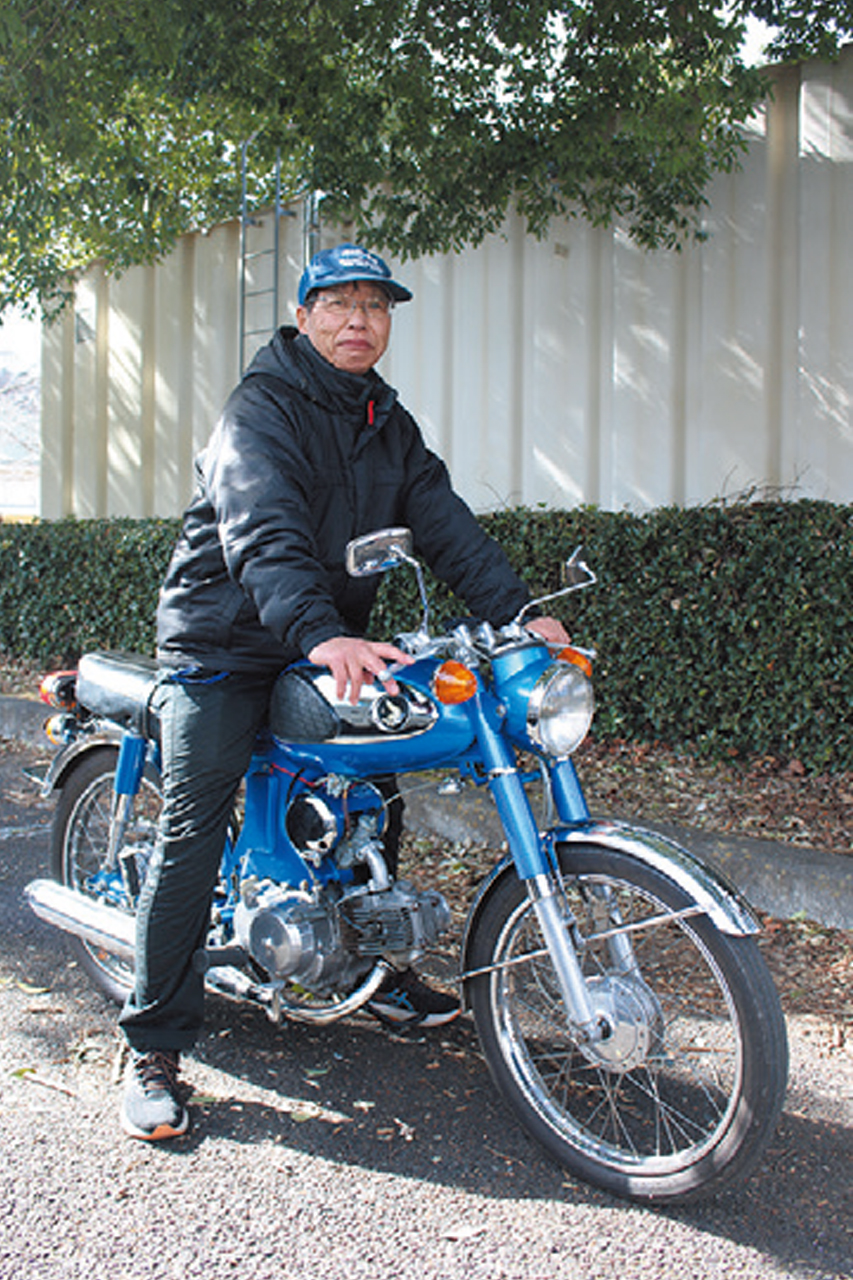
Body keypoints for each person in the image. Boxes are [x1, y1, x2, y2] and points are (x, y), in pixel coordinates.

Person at [118, 243, 570, 1141]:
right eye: (339, 303)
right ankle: (152, 1047)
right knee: (193, 825)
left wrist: (518, 614)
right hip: (224, 641)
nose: (359, 320)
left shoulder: (385, 422)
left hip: (324, 642)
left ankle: (376, 964)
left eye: (375, 305)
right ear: (304, 317)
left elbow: (446, 526)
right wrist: (320, 632)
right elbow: (262, 529)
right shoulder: (259, 409)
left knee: (375, 783)